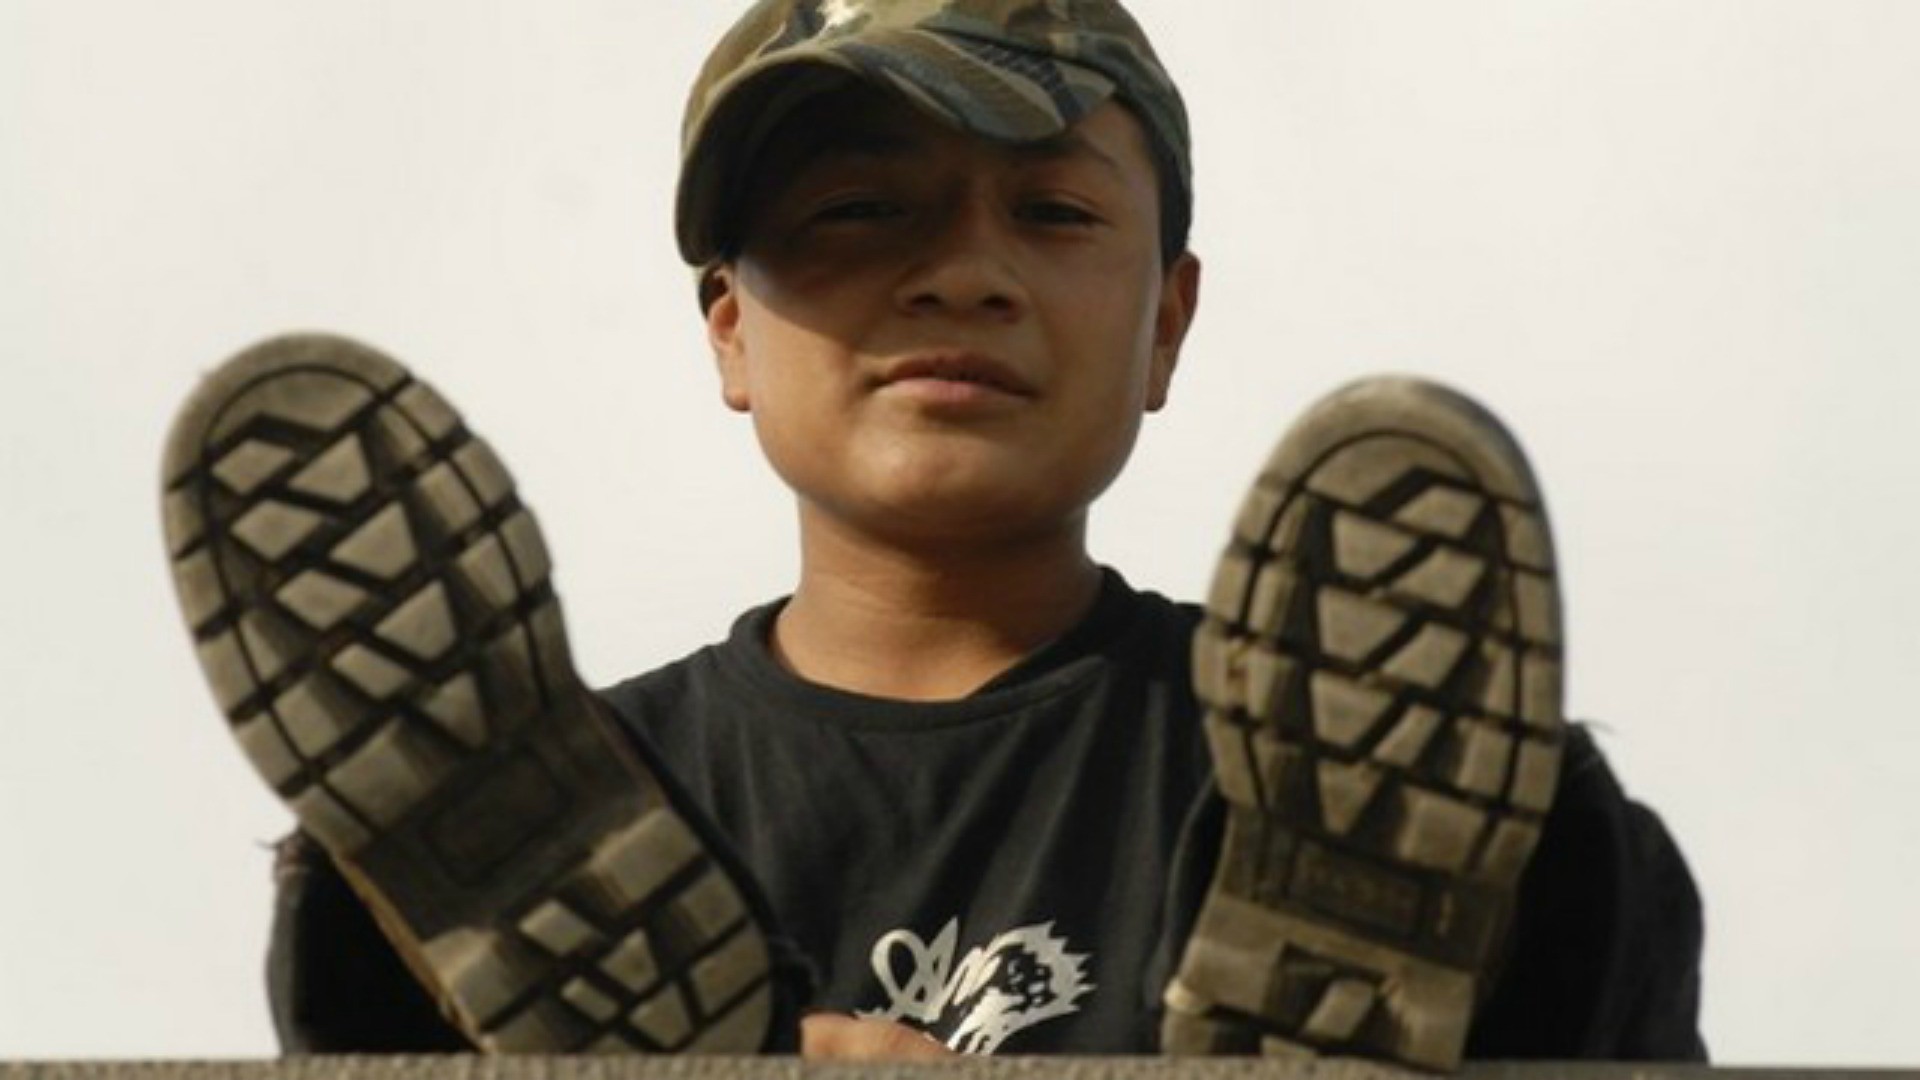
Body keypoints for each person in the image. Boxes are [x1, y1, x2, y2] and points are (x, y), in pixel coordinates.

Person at [160, 0, 1706, 1067]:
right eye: (859, 211)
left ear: (1167, 321)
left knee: (1526, 849)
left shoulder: (1366, 746)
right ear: (729, 334)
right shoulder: (587, 798)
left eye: (1051, 213)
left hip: (1410, 853)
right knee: (396, 933)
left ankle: (1405, 981)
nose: (963, 274)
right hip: (538, 880)